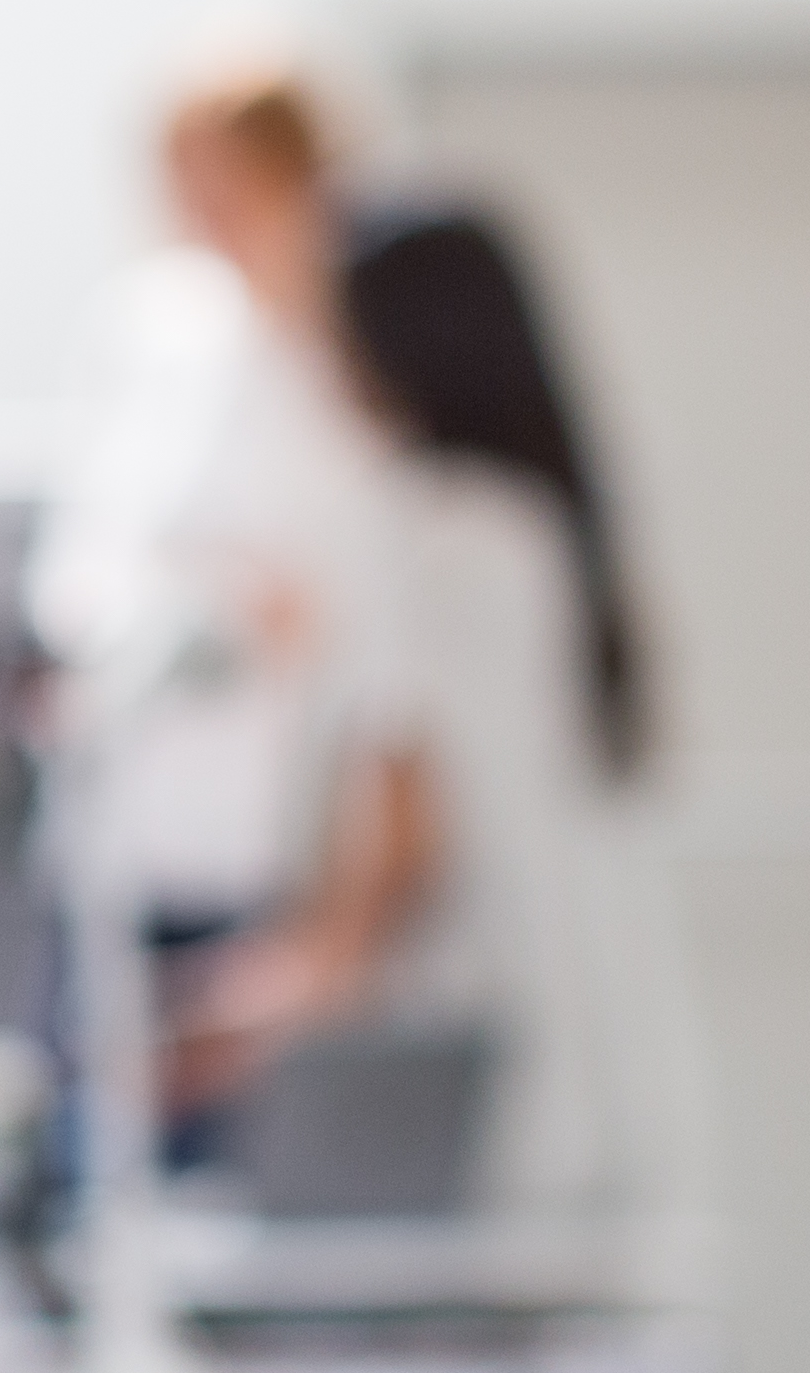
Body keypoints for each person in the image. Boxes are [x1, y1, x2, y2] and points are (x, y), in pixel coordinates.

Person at [190, 192, 716, 1288]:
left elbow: (404, 836)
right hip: (600, 1070)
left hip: (464, 1100)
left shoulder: (402, 523)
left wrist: (242, 1011)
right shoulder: (538, 519)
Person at [23, 66, 412, 1143]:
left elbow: (367, 604)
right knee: (101, 1136)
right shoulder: (153, 330)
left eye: (230, 176)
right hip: (130, 815)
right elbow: (84, 557)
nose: (202, 204)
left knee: (248, 1144)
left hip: (277, 836)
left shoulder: (348, 350)